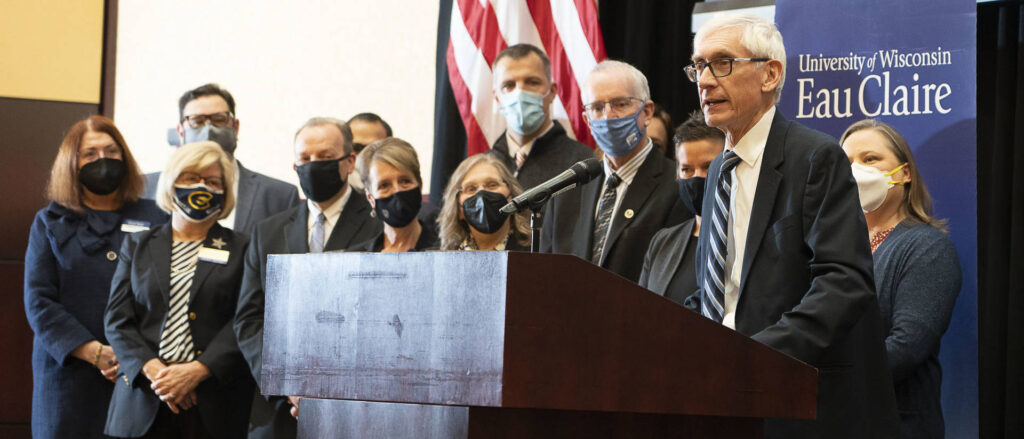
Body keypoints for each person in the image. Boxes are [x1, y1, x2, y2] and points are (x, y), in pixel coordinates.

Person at [686, 14, 898, 437]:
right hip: (723, 396)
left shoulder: (815, 157)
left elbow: (845, 281)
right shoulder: (716, 173)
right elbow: (719, 289)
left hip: (800, 400)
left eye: (722, 63)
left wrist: (754, 355)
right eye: (698, 66)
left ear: (770, 74)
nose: (705, 81)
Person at [233, 117, 381, 438]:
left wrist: (331, 389)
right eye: (305, 159)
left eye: (325, 158)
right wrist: (288, 385)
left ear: (349, 161)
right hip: (277, 410)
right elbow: (249, 319)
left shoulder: (378, 225)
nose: (314, 166)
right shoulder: (267, 231)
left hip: (355, 405)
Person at [24, 116, 168, 439]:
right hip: (70, 377)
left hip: (141, 374)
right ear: (71, 164)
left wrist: (136, 356)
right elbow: (39, 302)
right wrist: (94, 352)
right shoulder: (49, 221)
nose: (102, 160)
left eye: (111, 151)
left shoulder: (157, 217)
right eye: (90, 154)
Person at [104, 142, 253, 438]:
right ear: (171, 182)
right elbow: (117, 320)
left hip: (212, 403)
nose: (202, 187)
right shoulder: (138, 244)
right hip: (143, 400)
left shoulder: (244, 248)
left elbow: (245, 319)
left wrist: (196, 371)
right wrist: (161, 375)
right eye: (190, 178)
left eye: (212, 182)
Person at [841, 119, 962, 439]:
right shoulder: (832, 250)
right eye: (847, 162)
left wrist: (829, 380)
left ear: (905, 174)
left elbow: (908, 346)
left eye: (870, 159)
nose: (856, 170)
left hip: (896, 425)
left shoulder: (928, 247)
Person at [539, 60, 688, 283]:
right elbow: (547, 279)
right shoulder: (565, 191)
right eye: (597, 108)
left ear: (647, 112)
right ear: (586, 120)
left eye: (620, 104)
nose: (608, 116)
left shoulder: (678, 186)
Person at [144, 83, 300, 237]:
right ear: (180, 132)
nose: (208, 129)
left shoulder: (279, 196)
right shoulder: (143, 188)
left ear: (235, 127)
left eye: (219, 119)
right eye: (196, 121)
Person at [639, 111, 724, 303]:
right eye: (687, 169)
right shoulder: (662, 242)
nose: (696, 177)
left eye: (708, 167)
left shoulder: (743, 239)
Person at [486, 43, 595, 191]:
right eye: (509, 85)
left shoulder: (585, 167)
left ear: (552, 91)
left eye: (532, 82)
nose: (520, 93)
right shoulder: (481, 170)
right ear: (497, 98)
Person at [352, 137, 438, 252]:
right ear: (370, 198)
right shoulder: (357, 259)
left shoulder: (447, 251)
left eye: (405, 181)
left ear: (420, 185)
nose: (397, 191)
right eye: (384, 185)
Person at [438, 154, 531, 251]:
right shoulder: (440, 261)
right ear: (458, 209)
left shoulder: (536, 253)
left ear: (511, 195)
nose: (482, 194)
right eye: (471, 189)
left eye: (492, 185)